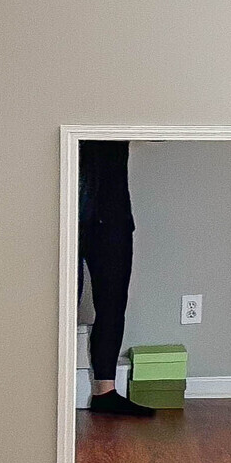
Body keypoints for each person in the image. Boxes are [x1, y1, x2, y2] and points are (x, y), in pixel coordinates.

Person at [78, 139, 153, 419]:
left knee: (113, 304)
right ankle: (50, 389)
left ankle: (105, 393)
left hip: (113, 216)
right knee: (62, 304)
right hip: (68, 212)